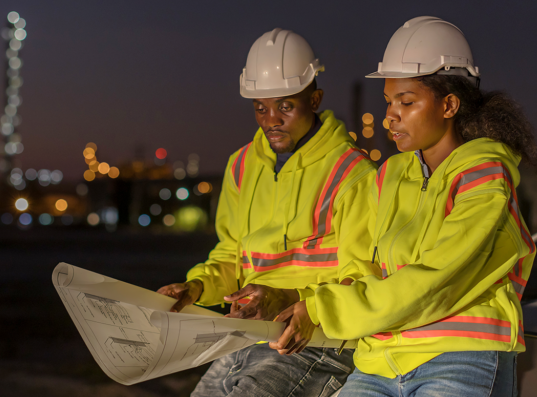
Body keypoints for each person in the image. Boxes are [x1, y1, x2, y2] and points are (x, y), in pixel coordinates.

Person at [270, 17, 537, 397]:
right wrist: (315, 298)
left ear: (449, 104)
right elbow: (359, 265)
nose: (390, 116)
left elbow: (435, 277)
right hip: (380, 359)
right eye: (388, 102)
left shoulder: (484, 176)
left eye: (407, 102)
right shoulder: (388, 176)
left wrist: (321, 308)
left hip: (460, 354)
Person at [156, 28, 378, 397]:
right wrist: (196, 287)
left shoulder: (352, 174)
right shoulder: (242, 166)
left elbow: (362, 279)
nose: (271, 119)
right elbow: (231, 255)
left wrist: (290, 299)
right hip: (250, 334)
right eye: (261, 107)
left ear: (315, 99)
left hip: (317, 341)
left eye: (285, 106)